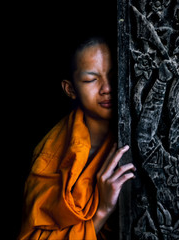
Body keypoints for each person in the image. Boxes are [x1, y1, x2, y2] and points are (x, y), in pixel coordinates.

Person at [18, 36, 136, 239]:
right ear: (70, 89)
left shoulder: (139, 135)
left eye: (113, 75)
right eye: (91, 80)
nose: (107, 88)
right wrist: (103, 210)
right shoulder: (50, 155)